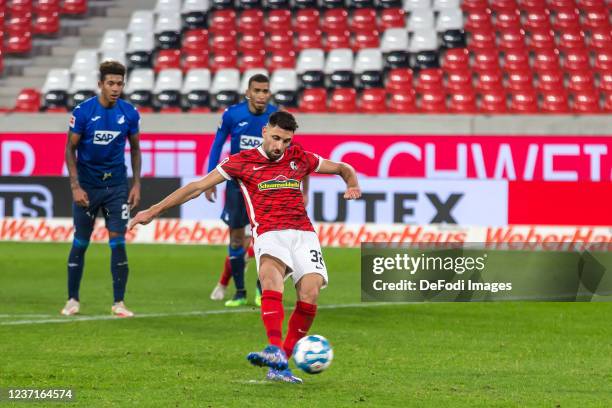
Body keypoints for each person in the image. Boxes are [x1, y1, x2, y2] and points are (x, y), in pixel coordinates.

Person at [129, 111, 360, 383]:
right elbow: (196, 187)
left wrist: (352, 183)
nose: (279, 146)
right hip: (269, 232)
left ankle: (280, 362)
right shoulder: (242, 162)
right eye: (275, 138)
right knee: (271, 277)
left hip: (304, 234)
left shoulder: (299, 156)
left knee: (309, 295)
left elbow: (344, 168)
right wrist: (154, 210)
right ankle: (274, 347)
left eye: (286, 141)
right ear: (264, 131)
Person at [205, 74, 309, 307]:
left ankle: (262, 291)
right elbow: (217, 144)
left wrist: (301, 189)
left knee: (268, 239)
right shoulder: (232, 114)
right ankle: (239, 292)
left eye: (265, 91)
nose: (261, 95)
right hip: (236, 184)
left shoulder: (275, 117)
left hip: (267, 187)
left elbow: (296, 154)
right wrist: (211, 179)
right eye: (257, 90)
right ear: (248, 92)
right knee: (236, 237)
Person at [60, 60, 142, 318]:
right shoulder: (84, 112)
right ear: (100, 85)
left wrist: (137, 183)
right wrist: (75, 186)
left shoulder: (129, 113)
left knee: (118, 243)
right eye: (111, 83)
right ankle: (72, 300)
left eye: (119, 83)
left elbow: (136, 149)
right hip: (87, 186)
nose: (115, 88)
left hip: (117, 185)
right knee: (81, 242)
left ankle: (119, 303)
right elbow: (69, 149)